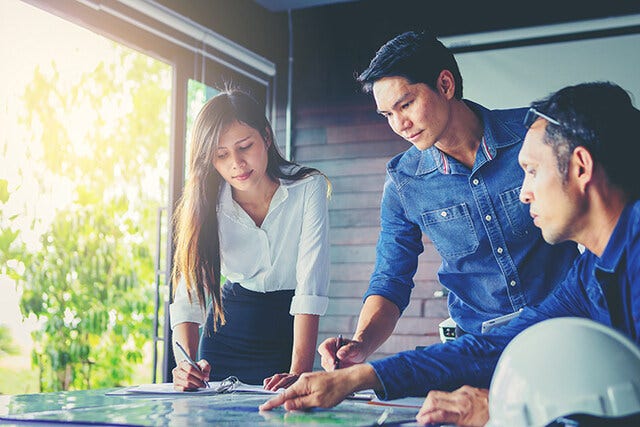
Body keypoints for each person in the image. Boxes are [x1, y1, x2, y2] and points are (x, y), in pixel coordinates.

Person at [259, 82, 640, 427]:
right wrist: (357, 376)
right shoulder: (589, 272)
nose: (524, 193)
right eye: (387, 113)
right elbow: (495, 343)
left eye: (532, 171)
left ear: (580, 166)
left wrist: (513, 409)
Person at [317, 29, 578, 372]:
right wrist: (361, 343)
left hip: (569, 332)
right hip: (479, 352)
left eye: (405, 104)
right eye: (388, 115)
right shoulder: (403, 181)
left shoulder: (535, 136)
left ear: (445, 85)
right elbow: (390, 278)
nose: (400, 124)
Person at [169, 88, 331, 390]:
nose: (236, 163)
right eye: (221, 155)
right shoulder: (208, 202)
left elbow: (311, 283)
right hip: (225, 338)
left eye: (245, 146)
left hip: (287, 336)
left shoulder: (309, 187)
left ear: (266, 137)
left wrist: (299, 372)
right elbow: (189, 293)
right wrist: (186, 366)